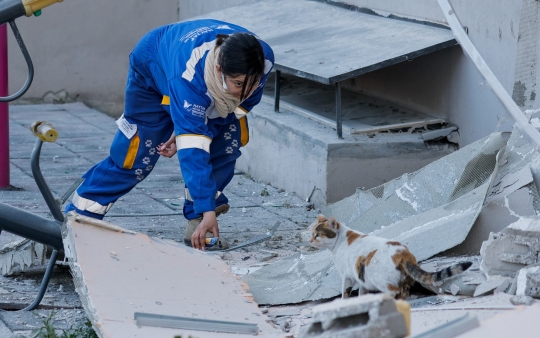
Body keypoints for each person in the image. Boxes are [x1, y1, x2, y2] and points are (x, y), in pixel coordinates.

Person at [65, 19, 275, 251]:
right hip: (154, 63)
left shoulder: (263, 60)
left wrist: (188, 129)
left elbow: (231, 111)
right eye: (238, 83)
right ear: (218, 69)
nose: (246, 91)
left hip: (189, 72)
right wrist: (187, 132)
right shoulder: (187, 77)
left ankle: (199, 223)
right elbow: (193, 153)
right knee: (137, 155)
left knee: (226, 141)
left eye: (253, 83)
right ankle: (76, 222)